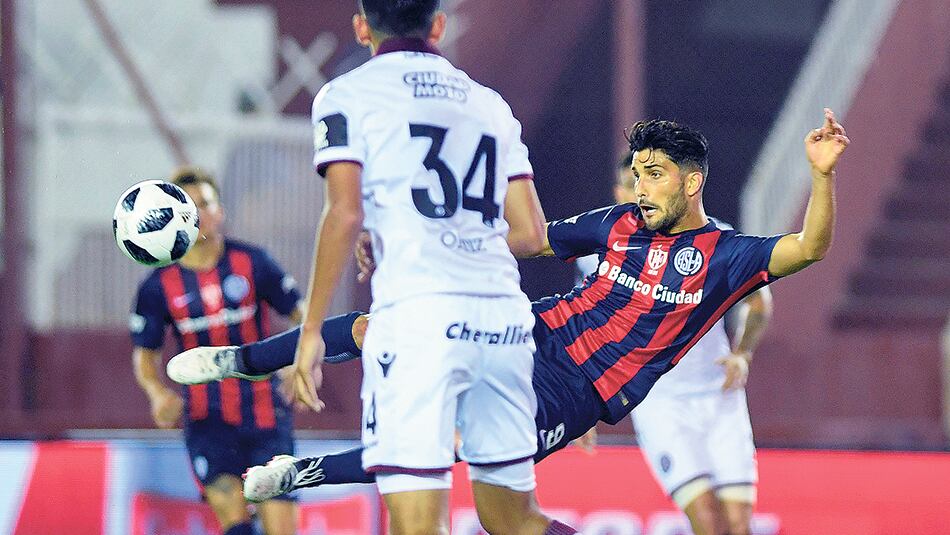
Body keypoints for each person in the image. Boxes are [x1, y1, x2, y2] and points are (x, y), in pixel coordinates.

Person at [169, 110, 848, 524]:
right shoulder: (615, 223)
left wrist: (820, 175)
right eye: (637, 173)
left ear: (692, 181)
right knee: (393, 322)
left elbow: (810, 248)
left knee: (469, 465)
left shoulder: (725, 257)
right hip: (530, 331)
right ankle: (240, 361)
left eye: (655, 175)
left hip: (579, 391)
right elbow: (525, 238)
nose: (640, 188)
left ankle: (304, 473)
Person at [275, 1, 572, 533]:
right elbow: (530, 235)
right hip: (503, 320)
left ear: (361, 26)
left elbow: (344, 212)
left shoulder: (346, 94)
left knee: (416, 525)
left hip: (418, 323)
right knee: (515, 519)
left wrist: (312, 331)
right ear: (438, 25)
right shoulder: (490, 104)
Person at [577, 155, 774, 535]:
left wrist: (743, 353)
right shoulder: (598, 254)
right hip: (660, 403)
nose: (641, 193)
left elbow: (758, 301)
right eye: (632, 185)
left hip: (719, 395)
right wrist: (584, 404)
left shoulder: (715, 239)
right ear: (619, 193)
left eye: (650, 181)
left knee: (738, 525)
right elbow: (591, 330)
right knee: (707, 521)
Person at [131, 168, 302, 535]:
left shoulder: (253, 262)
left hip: (266, 414)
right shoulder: (158, 285)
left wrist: (299, 361)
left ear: (220, 211)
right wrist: (157, 392)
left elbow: (300, 312)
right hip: (207, 420)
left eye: (205, 203)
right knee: (233, 516)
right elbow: (146, 354)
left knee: (280, 525)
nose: (198, 213)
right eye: (188, 206)